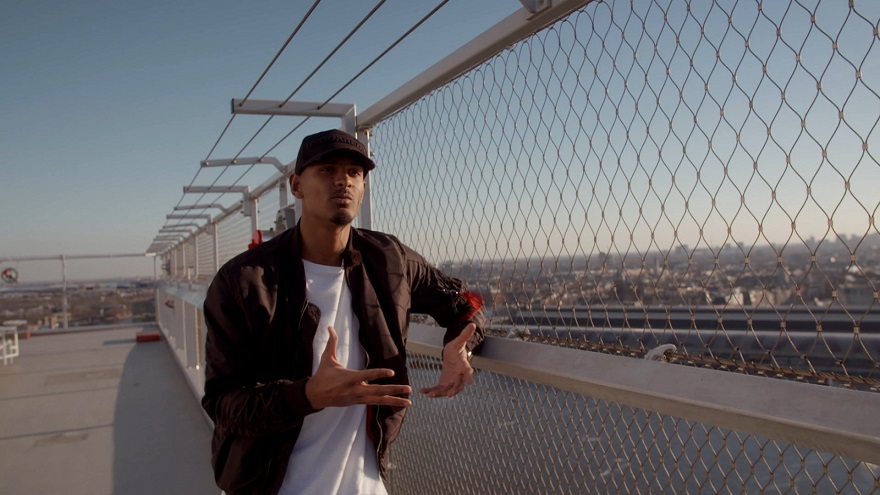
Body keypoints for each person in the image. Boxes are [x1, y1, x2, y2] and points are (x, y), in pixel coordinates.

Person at [201, 128, 486, 495]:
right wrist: (308, 395)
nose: (343, 181)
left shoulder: (389, 259)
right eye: (327, 169)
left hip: (364, 485)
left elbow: (466, 302)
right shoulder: (244, 281)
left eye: (355, 172)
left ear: (364, 186)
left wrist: (460, 346)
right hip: (267, 484)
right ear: (297, 185)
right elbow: (223, 403)